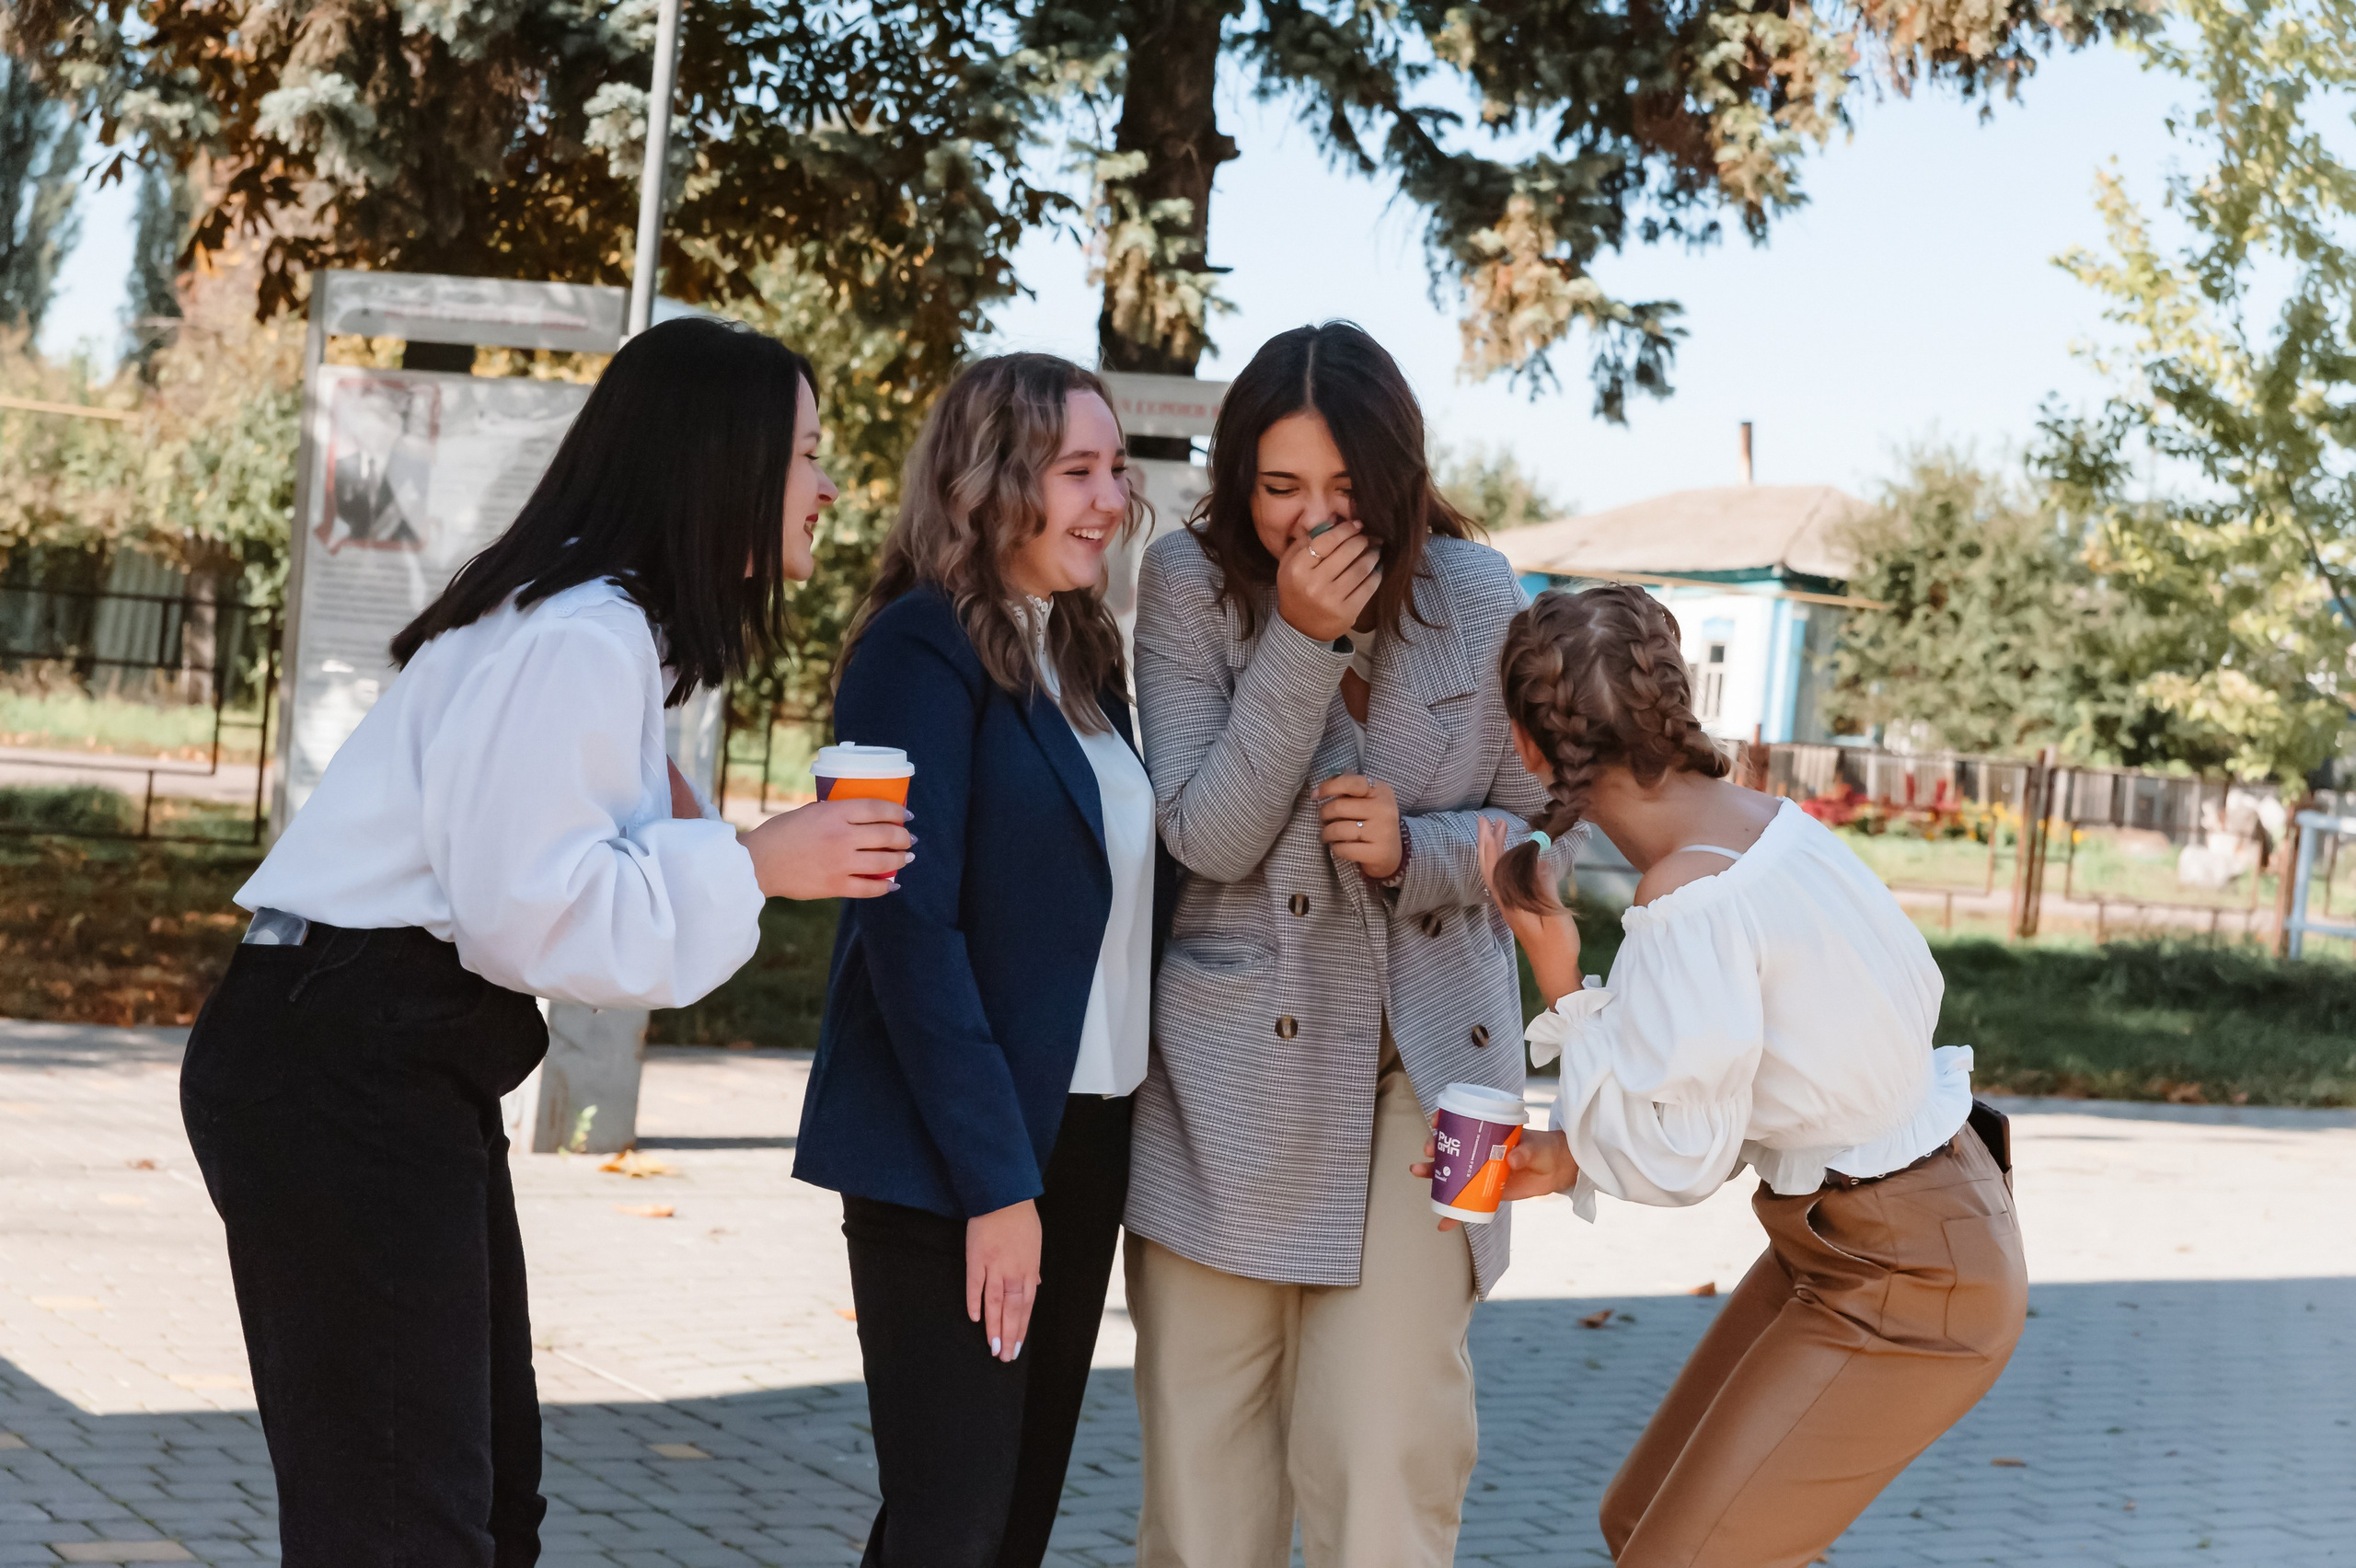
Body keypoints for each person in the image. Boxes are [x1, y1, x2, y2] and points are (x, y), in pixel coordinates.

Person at [179, 317, 914, 1568]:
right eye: (803, 453)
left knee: (472, 1502)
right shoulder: (583, 634)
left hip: (369, 1055)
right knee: (408, 1521)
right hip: (348, 1063)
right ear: (718, 463)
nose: (827, 485)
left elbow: (563, 863)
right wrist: (754, 865)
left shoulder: (592, 625)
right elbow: (531, 909)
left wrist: (724, 844)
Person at [1447, 582, 2028, 1568]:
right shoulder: (1766, 826)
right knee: (1640, 1524)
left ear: (1528, 747)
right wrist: (1571, 1155)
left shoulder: (1691, 892)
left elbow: (1677, 1157)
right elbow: (1730, 1077)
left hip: (1908, 1271)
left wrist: (1555, 969)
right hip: (1877, 1231)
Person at [1124, 320, 1574, 1568]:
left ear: (1398, 478)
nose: (1313, 519)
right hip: (1224, 1084)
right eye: (1279, 489)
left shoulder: (1478, 594)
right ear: (1238, 479)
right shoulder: (1186, 583)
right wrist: (1301, 643)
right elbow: (1204, 836)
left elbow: (1553, 846)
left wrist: (1425, 849)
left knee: (1396, 1450)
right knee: (1205, 1484)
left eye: (1342, 489)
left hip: (1448, 1079)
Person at [793, 352, 1158, 1567]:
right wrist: (1000, 1187)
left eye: (1116, 470)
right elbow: (910, 929)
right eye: (1076, 472)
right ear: (991, 481)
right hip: (954, 1155)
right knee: (953, 1523)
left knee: (1010, 1524)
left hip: (1087, 1137)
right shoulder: (918, 649)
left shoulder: (1086, 653)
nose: (1110, 499)